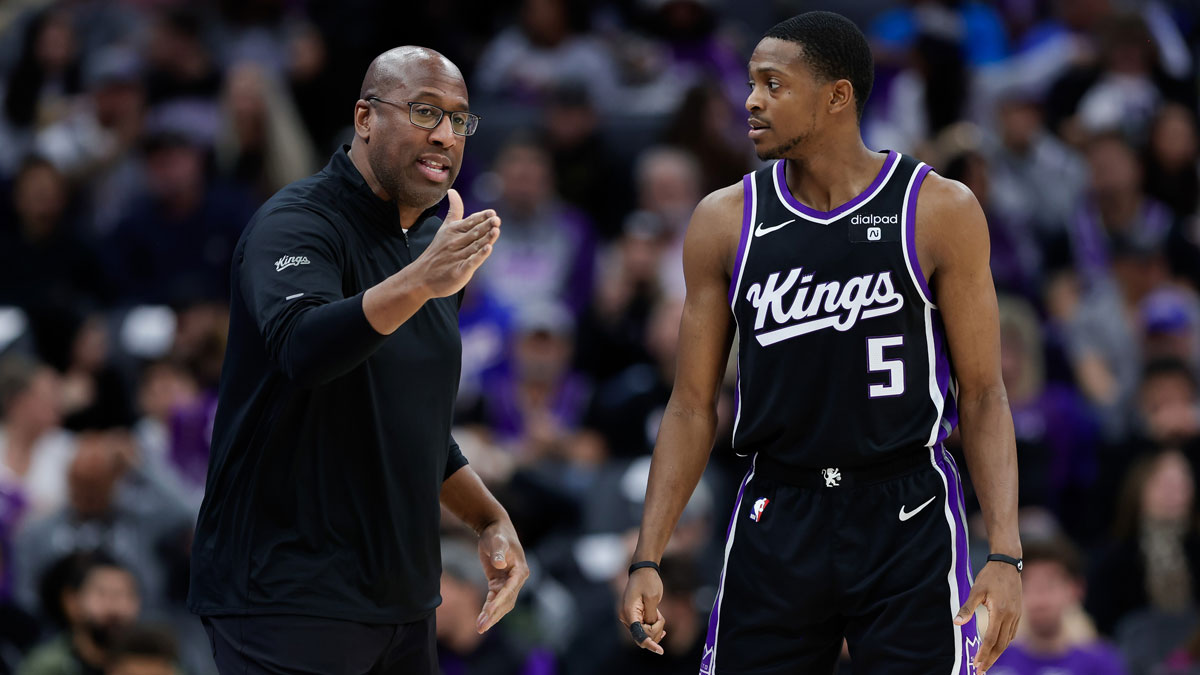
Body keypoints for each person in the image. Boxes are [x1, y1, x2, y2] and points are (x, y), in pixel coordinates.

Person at [619, 12, 1022, 674]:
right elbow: (692, 405)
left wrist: (1005, 551)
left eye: (773, 84)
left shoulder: (937, 209)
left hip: (906, 508)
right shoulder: (725, 220)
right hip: (781, 508)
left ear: (838, 96)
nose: (750, 100)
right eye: (750, 84)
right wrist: (648, 552)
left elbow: (982, 393)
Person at [187, 46, 529, 674]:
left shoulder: (431, 249)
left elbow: (409, 419)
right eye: (426, 111)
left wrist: (488, 518)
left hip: (400, 603)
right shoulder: (295, 224)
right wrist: (422, 281)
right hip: (286, 595)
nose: (445, 135)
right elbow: (304, 348)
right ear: (365, 117)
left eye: (459, 119)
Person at [989, 538, 1126, 674]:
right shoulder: (992, 659)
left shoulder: (1100, 663)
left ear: (1076, 590)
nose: (1040, 598)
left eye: (1050, 585)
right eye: (1029, 585)